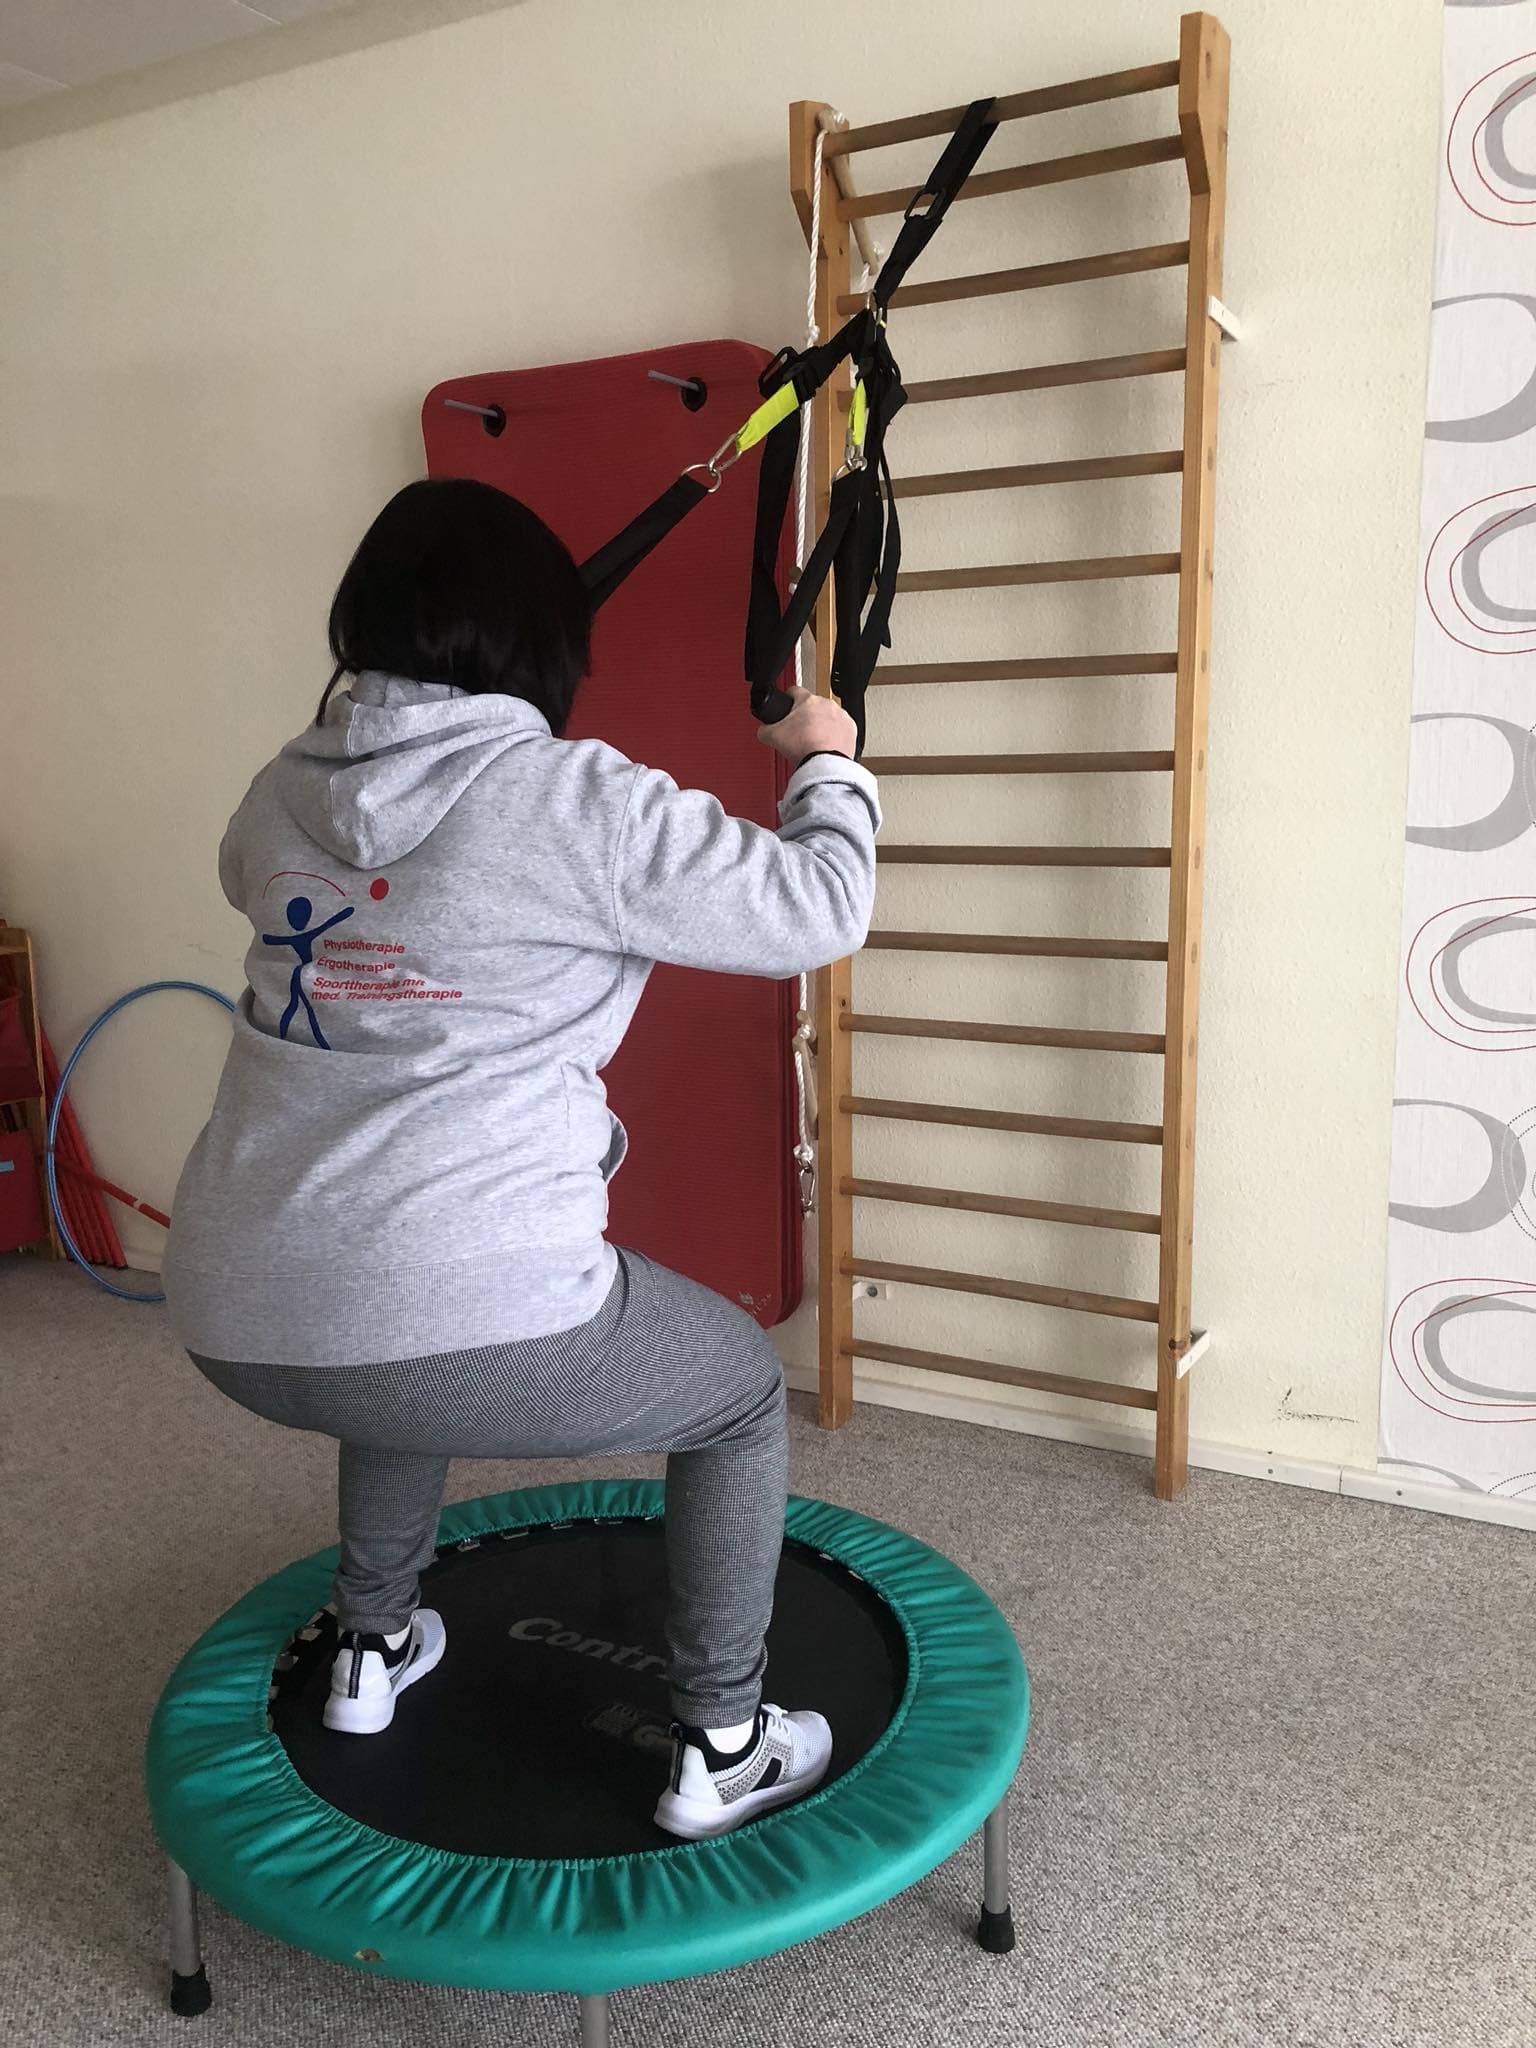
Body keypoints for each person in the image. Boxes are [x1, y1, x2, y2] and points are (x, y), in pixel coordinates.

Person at [163, 476, 880, 1842]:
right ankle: (724, 1740)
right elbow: (820, 908)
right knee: (733, 1399)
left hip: (225, 1302)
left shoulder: (275, 794)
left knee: (392, 1332)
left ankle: (372, 1645)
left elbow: (251, 873)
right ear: (546, 645)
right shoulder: (569, 798)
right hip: (450, 1308)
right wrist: (826, 762)